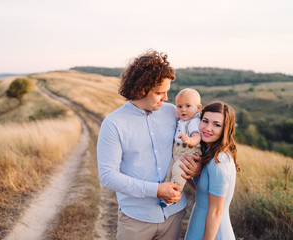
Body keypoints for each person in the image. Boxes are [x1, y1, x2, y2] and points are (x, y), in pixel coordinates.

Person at [97, 50, 201, 240]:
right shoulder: (113, 123)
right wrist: (156, 190)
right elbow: (108, 176)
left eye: (167, 91)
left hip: (174, 214)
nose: (166, 98)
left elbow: (198, 141)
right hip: (136, 219)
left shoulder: (174, 113)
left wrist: (196, 168)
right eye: (160, 93)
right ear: (140, 89)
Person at [184, 101, 240, 240]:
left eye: (217, 125)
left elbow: (215, 211)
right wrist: (190, 175)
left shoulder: (219, 161)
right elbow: (203, 194)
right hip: (199, 223)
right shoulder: (210, 154)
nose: (208, 128)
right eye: (205, 121)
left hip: (213, 232)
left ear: (226, 129)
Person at [160, 88, 202, 207]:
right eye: (179, 106)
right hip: (177, 152)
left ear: (198, 108)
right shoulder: (182, 120)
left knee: (178, 172)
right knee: (168, 171)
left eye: (188, 106)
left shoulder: (194, 121)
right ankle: (164, 193)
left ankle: (173, 195)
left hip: (187, 152)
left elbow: (197, 136)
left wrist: (190, 140)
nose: (183, 109)